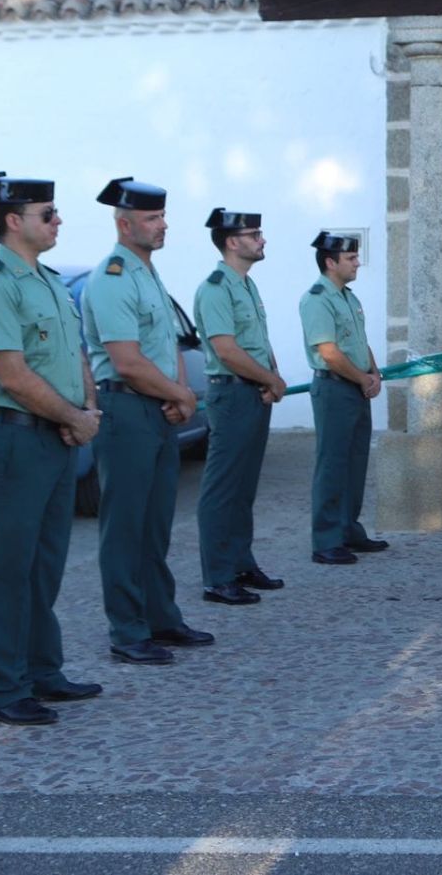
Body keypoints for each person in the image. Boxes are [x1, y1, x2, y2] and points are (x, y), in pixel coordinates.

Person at [0, 172, 104, 724]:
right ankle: (4, 688)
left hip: (56, 436)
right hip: (15, 439)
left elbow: (77, 357)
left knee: (44, 565)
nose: (58, 220)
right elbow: (13, 376)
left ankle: (43, 671)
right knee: (8, 568)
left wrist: (84, 413)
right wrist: (73, 417)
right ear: (14, 221)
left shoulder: (49, 281)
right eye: (48, 213)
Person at [82, 177, 212, 663]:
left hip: (155, 409)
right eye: (152, 219)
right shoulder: (113, 276)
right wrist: (181, 393)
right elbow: (127, 361)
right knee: (125, 527)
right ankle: (127, 630)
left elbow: (168, 347)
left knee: (155, 524)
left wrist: (179, 393)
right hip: (127, 410)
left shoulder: (146, 272)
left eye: (162, 217)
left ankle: (161, 617)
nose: (163, 226)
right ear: (124, 223)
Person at [191, 208, 289, 606]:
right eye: (255, 234)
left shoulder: (244, 284)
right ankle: (217, 576)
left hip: (254, 391)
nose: (262, 240)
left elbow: (258, 343)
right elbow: (227, 350)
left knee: (244, 486)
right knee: (222, 488)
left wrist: (273, 377)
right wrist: (269, 379)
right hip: (231, 393)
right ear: (233, 242)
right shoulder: (216, 287)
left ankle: (240, 562)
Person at [299, 231, 388, 564]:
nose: (357, 263)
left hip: (354, 387)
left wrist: (373, 372)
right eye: (350, 259)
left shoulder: (348, 298)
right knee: (332, 465)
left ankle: (348, 528)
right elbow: (330, 352)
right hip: (334, 387)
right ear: (330, 262)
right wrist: (362, 377)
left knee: (354, 463)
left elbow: (359, 343)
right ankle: (325, 540)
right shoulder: (317, 298)